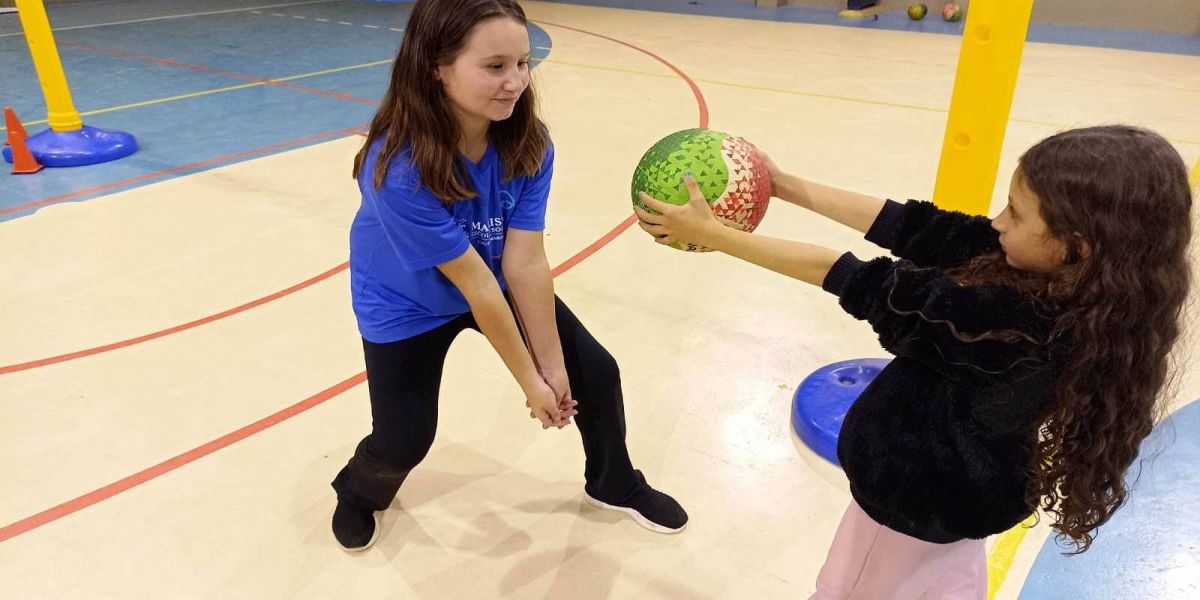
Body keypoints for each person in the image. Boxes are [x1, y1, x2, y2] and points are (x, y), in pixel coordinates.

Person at [634, 125, 1192, 597]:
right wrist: (785, 186)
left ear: (1077, 244)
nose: (998, 221)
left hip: (911, 513)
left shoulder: (1009, 323)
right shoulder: (1081, 288)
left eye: (1017, 214)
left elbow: (852, 276)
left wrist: (716, 235)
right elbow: (921, 228)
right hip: (966, 507)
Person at [331, 0, 687, 552]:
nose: (516, 82)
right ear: (436, 67)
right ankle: (356, 492)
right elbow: (473, 286)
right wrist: (533, 383)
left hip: (490, 275)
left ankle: (614, 482)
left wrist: (554, 366)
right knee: (405, 438)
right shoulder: (398, 169)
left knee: (595, 372)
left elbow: (523, 263)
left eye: (523, 63)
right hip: (405, 302)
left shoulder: (528, 142)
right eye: (494, 66)